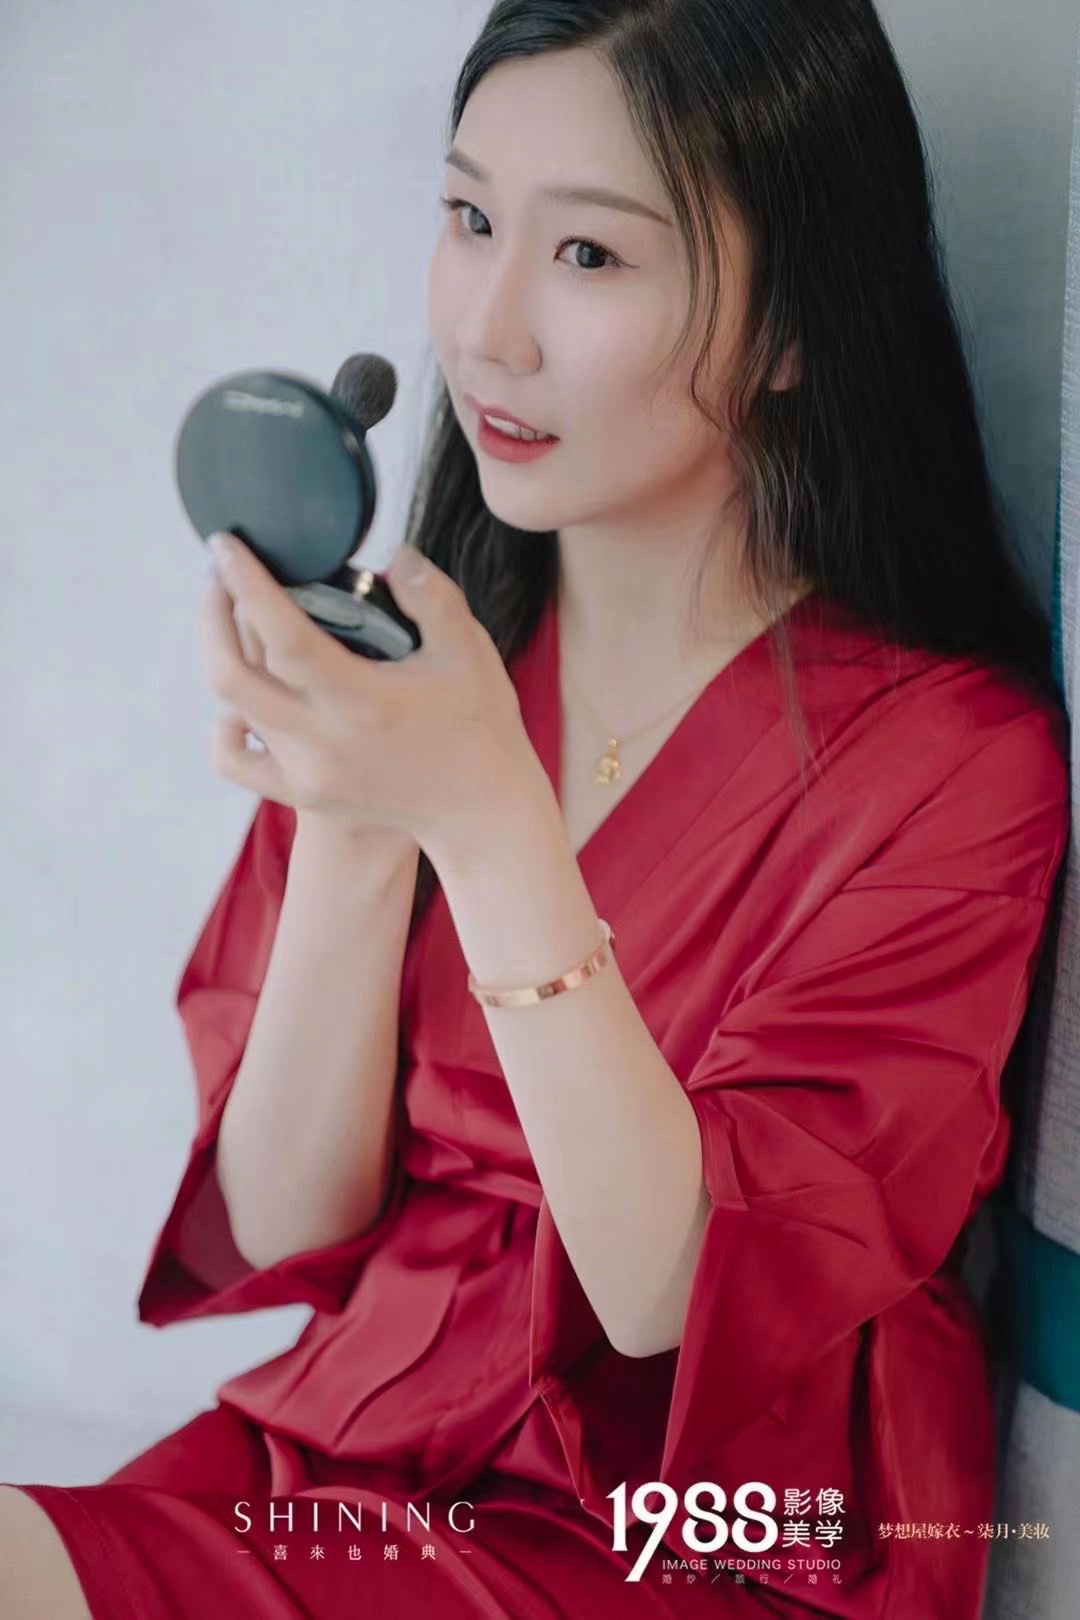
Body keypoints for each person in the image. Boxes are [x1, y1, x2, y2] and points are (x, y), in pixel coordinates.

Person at [1, 2, 1070, 1616]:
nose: (489, 328)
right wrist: (361, 826)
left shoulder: (955, 762)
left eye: (589, 256)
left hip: (700, 1535)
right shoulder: (440, 662)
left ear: (791, 330)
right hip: (360, 1445)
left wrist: (489, 823)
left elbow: (668, 1294)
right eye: (470, 218)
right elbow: (287, 1219)